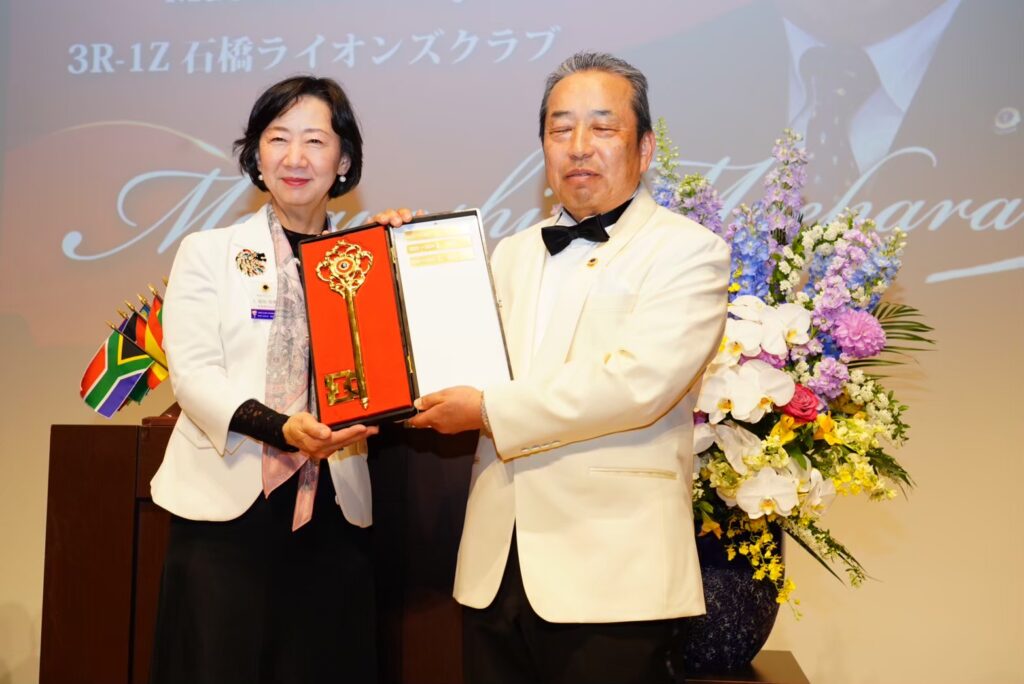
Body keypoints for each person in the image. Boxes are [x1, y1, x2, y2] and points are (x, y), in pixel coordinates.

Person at [406, 52, 731, 684]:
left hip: (613, 575)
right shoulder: (510, 254)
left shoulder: (689, 252)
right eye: (561, 129)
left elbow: (637, 384)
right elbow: (449, 357)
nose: (579, 145)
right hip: (496, 568)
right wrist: (398, 259)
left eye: (602, 127)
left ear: (644, 148)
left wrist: (488, 409)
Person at [148, 76, 387, 684]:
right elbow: (194, 376)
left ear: (344, 160)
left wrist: (404, 253)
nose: (295, 157)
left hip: (332, 515)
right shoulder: (208, 252)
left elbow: (398, 365)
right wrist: (282, 428)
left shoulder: (368, 258)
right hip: (225, 521)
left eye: (315, 141)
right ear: (256, 156)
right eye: (278, 139)